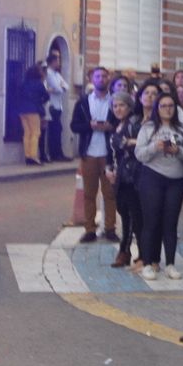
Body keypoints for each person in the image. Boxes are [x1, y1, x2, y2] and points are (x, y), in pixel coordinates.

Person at [134, 92, 183, 282]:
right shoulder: (148, 128)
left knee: (170, 223)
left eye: (171, 106)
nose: (167, 109)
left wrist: (178, 150)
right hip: (152, 177)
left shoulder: (181, 128)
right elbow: (139, 154)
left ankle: (171, 264)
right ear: (157, 108)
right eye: (163, 106)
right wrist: (154, 147)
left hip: (176, 179)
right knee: (151, 221)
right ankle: (148, 263)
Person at [69, 65, 118, 243]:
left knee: (109, 193)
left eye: (104, 76)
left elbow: (120, 124)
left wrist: (109, 128)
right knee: (89, 194)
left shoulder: (115, 102)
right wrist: (88, 126)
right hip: (88, 153)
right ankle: (90, 229)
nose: (101, 79)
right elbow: (74, 126)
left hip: (108, 154)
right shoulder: (83, 102)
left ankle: (110, 228)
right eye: (98, 76)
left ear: (108, 79)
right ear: (92, 79)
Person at [104, 92, 142, 270]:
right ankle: (128, 252)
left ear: (129, 106)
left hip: (133, 178)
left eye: (122, 105)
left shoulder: (134, 124)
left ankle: (129, 252)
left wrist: (128, 142)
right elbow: (111, 152)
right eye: (115, 106)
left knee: (133, 216)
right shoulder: (116, 127)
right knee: (124, 215)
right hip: (120, 178)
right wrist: (109, 169)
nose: (118, 109)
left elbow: (140, 146)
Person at [43, 51, 70, 163]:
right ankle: (55, 153)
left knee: (58, 130)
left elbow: (66, 86)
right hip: (52, 106)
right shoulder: (48, 73)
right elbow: (58, 88)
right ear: (52, 61)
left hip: (59, 106)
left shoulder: (57, 74)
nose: (59, 62)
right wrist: (59, 88)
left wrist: (60, 88)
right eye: (58, 60)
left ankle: (59, 153)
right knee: (54, 130)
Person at [17, 64, 46, 165]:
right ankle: (33, 156)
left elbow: (18, 95)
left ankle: (27, 156)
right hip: (33, 110)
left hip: (22, 111)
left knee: (27, 133)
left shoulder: (24, 83)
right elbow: (46, 96)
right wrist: (39, 101)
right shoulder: (38, 83)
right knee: (35, 133)